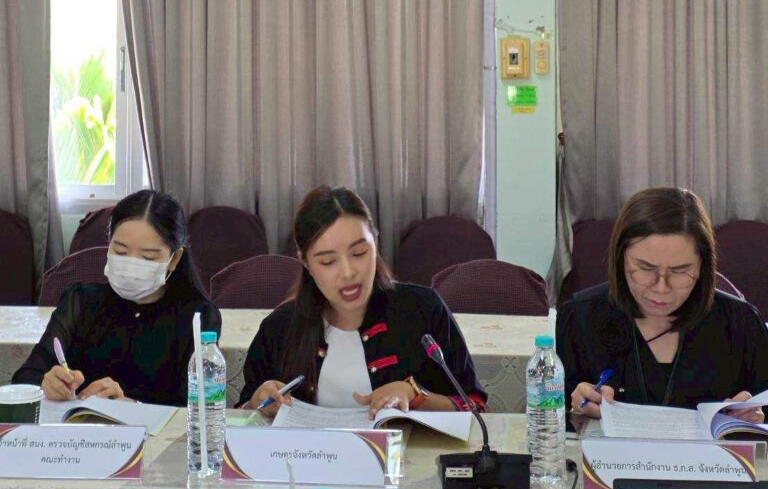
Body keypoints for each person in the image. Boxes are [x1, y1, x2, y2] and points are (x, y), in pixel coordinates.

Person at [239, 186, 487, 417]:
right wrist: (259, 401)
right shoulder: (279, 328)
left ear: (375, 243)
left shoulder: (423, 310)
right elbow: (240, 413)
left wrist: (415, 395)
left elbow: (475, 405)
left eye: (359, 253)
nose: (348, 273)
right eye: (328, 261)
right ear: (305, 262)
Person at [557, 187, 768, 423]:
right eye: (646, 268)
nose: (661, 288)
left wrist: (756, 420)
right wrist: (576, 409)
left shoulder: (742, 324)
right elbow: (551, 424)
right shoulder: (580, 318)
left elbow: (763, 413)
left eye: (679, 271)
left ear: (703, 266)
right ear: (620, 258)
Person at [14, 189, 221, 405]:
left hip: (151, 427)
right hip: (79, 426)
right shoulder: (80, 301)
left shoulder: (199, 317)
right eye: (120, 252)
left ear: (174, 258)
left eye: (148, 257)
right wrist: (46, 384)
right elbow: (25, 377)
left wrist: (130, 407)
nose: (131, 265)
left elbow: (199, 406)